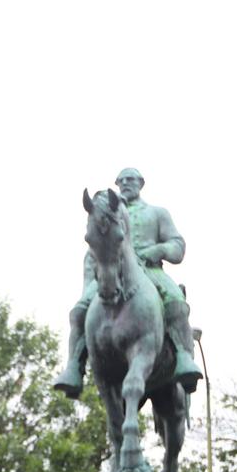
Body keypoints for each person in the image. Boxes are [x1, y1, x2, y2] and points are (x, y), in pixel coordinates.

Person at [53, 167, 202, 397]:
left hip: (149, 268)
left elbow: (177, 245)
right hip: (112, 268)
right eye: (121, 180)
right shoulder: (107, 211)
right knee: (78, 311)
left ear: (141, 183)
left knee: (175, 301)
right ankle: (74, 365)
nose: (125, 183)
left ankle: (184, 357)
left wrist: (159, 249)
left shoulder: (157, 213)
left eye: (130, 179)